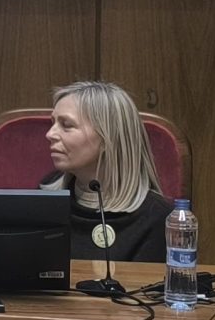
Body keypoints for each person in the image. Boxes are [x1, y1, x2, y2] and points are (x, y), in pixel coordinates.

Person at [43, 79, 169, 265]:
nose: (50, 134)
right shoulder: (46, 195)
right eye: (53, 123)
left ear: (107, 138)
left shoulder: (156, 217)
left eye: (66, 125)